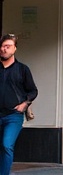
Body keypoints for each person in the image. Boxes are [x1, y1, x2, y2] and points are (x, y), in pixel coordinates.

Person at [0, 34, 37, 175]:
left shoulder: (22, 69)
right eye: (2, 46)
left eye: (7, 46)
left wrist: (25, 104)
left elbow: (33, 90)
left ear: (14, 49)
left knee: (6, 145)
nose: (4, 49)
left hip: (13, 116)